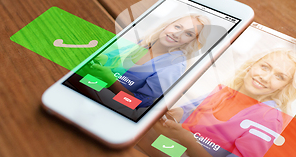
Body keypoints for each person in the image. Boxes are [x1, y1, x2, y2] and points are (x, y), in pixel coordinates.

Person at [155, 49, 296, 157]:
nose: (265, 77)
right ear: (251, 66)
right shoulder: (226, 91)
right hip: (173, 150)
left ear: (285, 87)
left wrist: (188, 140)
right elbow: (184, 112)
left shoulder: (269, 119)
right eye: (264, 67)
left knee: (148, 139)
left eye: (279, 77)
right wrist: (169, 114)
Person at [80, 13, 210, 108]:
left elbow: (135, 104)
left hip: (109, 106)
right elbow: (113, 61)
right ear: (167, 25)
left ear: (192, 42)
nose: (177, 34)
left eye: (188, 34)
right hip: (93, 90)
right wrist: (105, 60)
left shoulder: (173, 67)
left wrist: (111, 82)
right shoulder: (146, 43)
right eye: (177, 27)